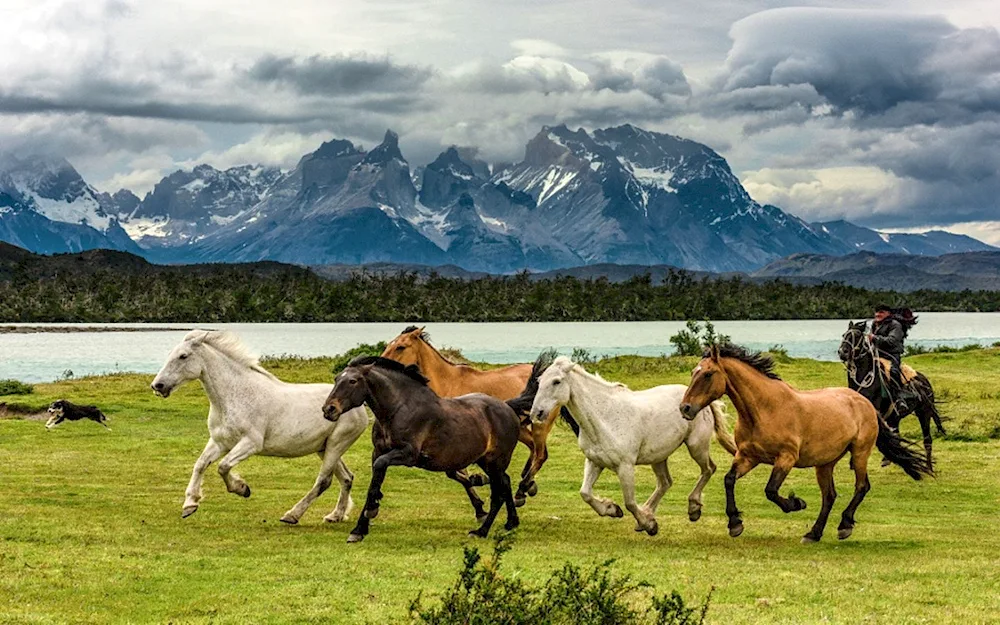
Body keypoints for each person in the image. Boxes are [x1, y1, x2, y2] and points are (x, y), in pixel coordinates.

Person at [869, 304, 918, 414]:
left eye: (881, 312)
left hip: (891, 355)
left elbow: (892, 341)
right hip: (876, 355)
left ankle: (899, 398)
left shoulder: (895, 325)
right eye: (876, 312)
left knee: (893, 372)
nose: (877, 314)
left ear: (888, 313)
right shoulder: (875, 324)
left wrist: (874, 338)